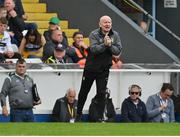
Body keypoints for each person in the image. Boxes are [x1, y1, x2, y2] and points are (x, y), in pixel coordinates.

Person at [76, 15, 122, 121]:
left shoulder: (115, 35)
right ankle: (78, 115)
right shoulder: (94, 34)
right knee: (84, 91)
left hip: (104, 69)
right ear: (100, 24)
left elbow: (118, 51)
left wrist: (110, 45)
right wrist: (105, 45)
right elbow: (94, 49)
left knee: (101, 93)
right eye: (105, 22)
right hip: (91, 68)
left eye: (109, 22)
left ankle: (100, 117)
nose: (107, 24)